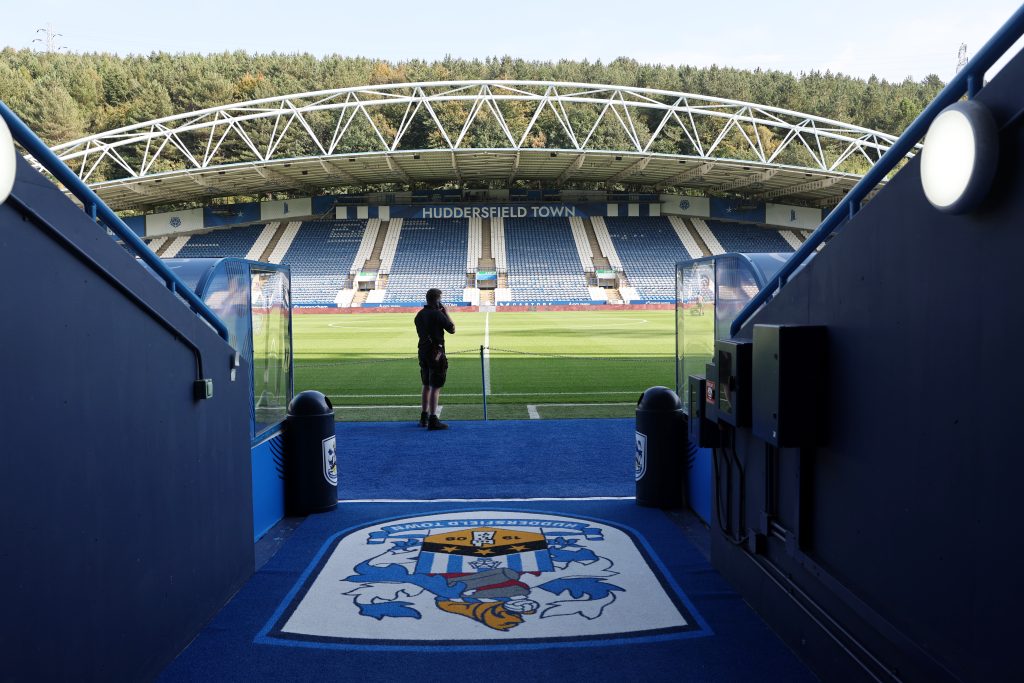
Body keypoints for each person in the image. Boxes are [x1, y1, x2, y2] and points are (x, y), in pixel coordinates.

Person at [414, 288, 455, 430]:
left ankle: (423, 417)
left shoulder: (419, 315)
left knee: (426, 385)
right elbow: (452, 329)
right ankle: (433, 419)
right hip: (436, 353)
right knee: (435, 387)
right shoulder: (438, 314)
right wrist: (446, 313)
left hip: (423, 352)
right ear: (438, 300)